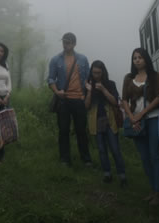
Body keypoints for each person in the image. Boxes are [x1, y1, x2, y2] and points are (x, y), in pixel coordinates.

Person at [121, 48, 159, 205]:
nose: (137, 60)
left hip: (153, 118)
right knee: (145, 158)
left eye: (140, 57)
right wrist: (132, 117)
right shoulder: (128, 79)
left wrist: (142, 114)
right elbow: (124, 100)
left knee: (154, 156)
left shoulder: (155, 77)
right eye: (134, 58)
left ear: (146, 59)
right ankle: (153, 190)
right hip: (136, 121)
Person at [47, 32, 91, 166]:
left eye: (69, 42)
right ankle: (65, 159)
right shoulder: (56, 60)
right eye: (64, 41)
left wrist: (88, 93)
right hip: (63, 100)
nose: (66, 44)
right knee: (64, 130)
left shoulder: (83, 59)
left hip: (79, 99)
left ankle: (86, 159)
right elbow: (50, 79)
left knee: (81, 130)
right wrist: (57, 91)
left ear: (74, 43)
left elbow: (88, 79)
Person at [84, 60, 126, 186]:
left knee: (115, 149)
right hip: (95, 121)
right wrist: (90, 91)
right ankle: (107, 173)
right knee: (102, 150)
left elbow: (114, 102)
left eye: (99, 73)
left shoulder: (110, 84)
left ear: (103, 73)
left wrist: (103, 89)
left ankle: (122, 175)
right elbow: (86, 106)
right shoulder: (88, 85)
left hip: (110, 120)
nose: (96, 75)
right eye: (94, 72)